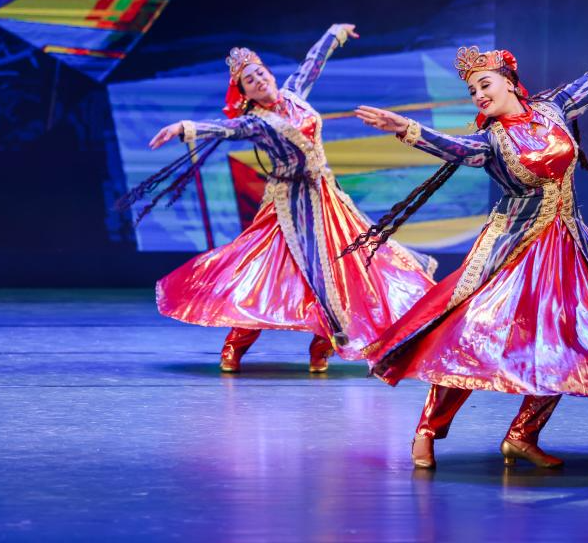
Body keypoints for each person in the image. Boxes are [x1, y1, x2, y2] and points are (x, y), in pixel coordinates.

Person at [350, 3, 588, 468]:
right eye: (472, 91)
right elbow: (456, 148)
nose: (479, 95)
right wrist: (407, 128)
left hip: (566, 250)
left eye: (485, 84)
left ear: (509, 81)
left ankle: (522, 435)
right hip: (513, 251)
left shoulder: (553, 109)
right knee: (472, 335)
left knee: (563, 344)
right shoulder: (491, 142)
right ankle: (428, 429)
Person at [143, 24, 436, 373]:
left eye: (260, 73)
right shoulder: (256, 122)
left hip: (326, 199)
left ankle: (322, 348)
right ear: (246, 94)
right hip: (288, 206)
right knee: (263, 272)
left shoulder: (294, 93)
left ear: (269, 74)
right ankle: (235, 346)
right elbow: (226, 128)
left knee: (344, 270)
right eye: (249, 80)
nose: (258, 80)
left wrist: (334, 34)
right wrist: (185, 128)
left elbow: (312, 63)